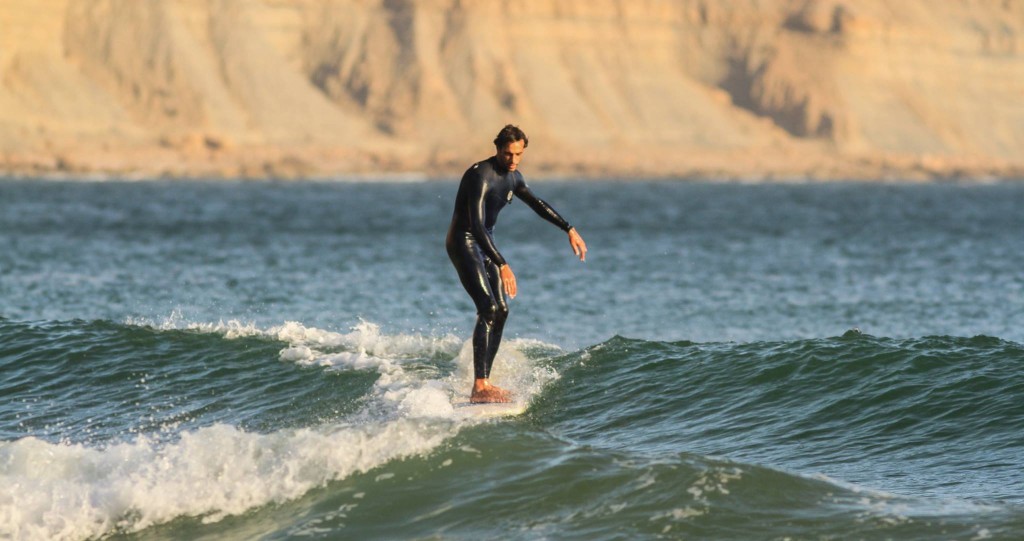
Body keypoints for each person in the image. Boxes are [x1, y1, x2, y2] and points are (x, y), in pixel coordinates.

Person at [446, 125, 587, 403]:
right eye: (508, 154)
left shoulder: (513, 178)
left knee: (502, 310)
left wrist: (568, 228)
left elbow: (537, 204)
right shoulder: (480, 176)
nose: (513, 160)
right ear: (498, 148)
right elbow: (475, 225)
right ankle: (479, 387)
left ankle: (485, 381)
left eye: (518, 154)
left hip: (486, 243)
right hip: (465, 242)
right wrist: (503, 263)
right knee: (487, 308)